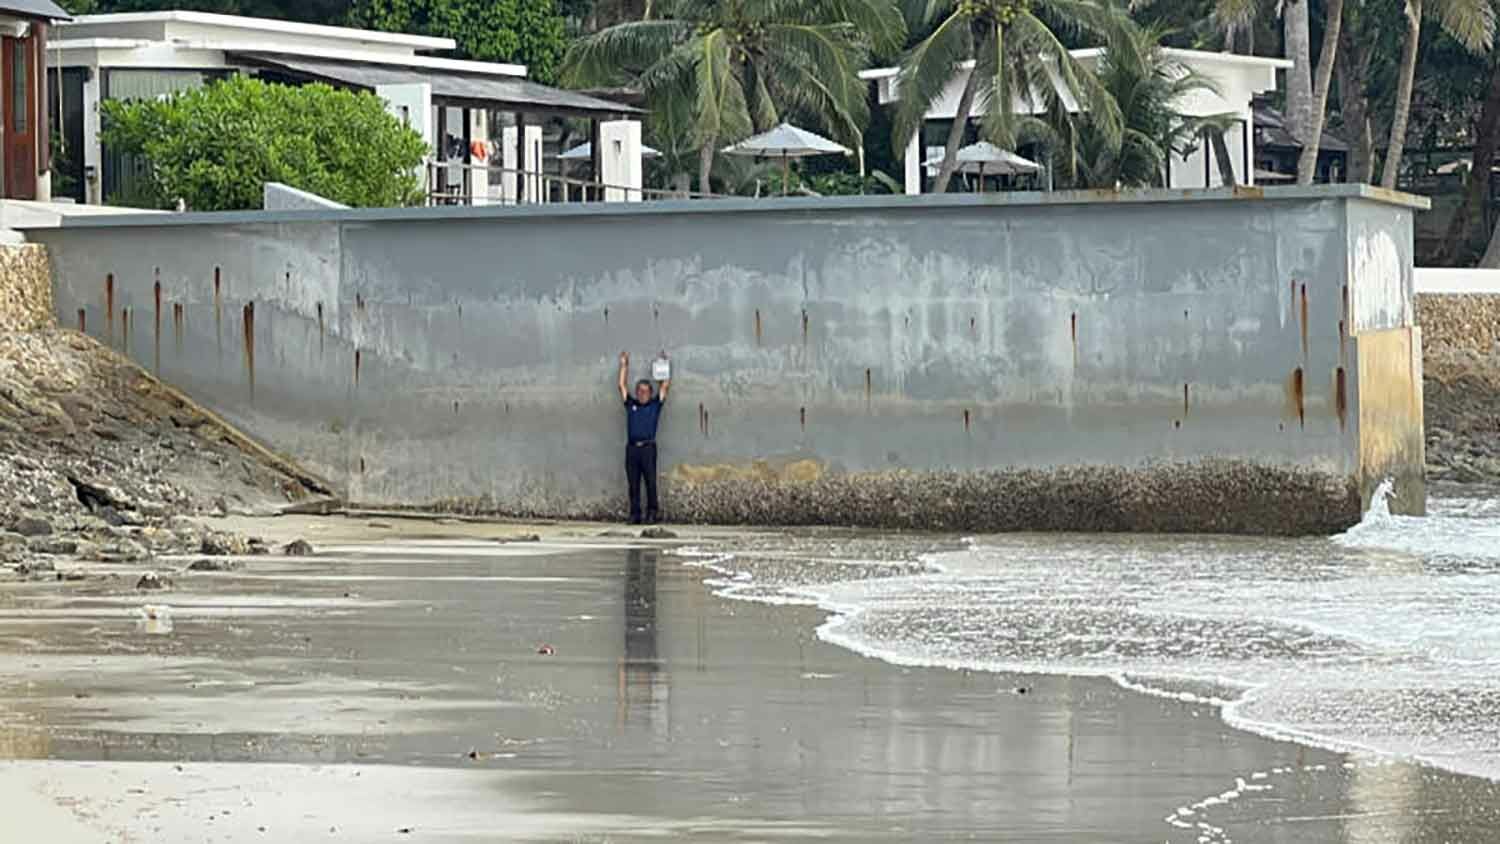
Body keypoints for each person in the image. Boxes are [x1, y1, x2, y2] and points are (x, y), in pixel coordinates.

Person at [618, 351, 670, 524]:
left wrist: (663, 365)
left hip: (648, 449)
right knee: (633, 483)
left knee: (650, 482)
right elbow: (621, 386)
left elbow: (665, 386)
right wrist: (624, 365)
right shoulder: (631, 404)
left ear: (650, 393)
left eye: (645, 392)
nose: (642, 394)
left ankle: (652, 513)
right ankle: (635, 514)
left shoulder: (655, 405)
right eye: (639, 391)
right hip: (632, 448)